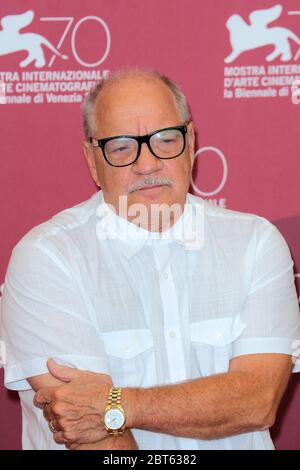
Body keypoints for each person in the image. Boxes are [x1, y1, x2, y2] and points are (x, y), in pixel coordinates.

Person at [1, 69, 300, 451]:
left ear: (190, 143)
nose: (147, 164)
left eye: (165, 139)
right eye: (122, 147)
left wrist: (115, 402)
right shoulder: (47, 257)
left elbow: (256, 402)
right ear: (92, 160)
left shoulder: (256, 244)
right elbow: (90, 436)